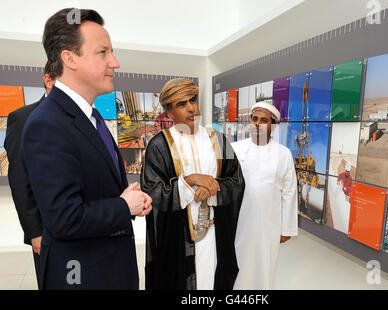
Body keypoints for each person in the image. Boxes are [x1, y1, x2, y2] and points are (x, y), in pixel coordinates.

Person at [21, 8, 152, 290]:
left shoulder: (89, 117)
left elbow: (91, 192)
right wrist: (123, 205)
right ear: (69, 58)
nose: (114, 62)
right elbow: (65, 219)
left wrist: (126, 199)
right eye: (102, 52)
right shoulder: (47, 124)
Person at [141, 78, 245, 290]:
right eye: (181, 104)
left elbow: (236, 180)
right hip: (178, 241)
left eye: (193, 100)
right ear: (169, 112)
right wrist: (188, 183)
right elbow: (151, 192)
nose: (191, 108)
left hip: (214, 235)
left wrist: (212, 191)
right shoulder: (159, 145)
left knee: (212, 279)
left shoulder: (218, 139)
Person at [232, 101, 298, 290]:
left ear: (274, 126)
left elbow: (289, 192)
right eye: (254, 119)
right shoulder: (234, 149)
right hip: (239, 223)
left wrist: (287, 229)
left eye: (264, 120)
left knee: (265, 267)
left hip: (269, 224)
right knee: (238, 266)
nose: (258, 124)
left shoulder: (283, 154)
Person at [4, 61, 55, 290]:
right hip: (47, 230)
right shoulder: (23, 118)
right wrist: (35, 232)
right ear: (48, 80)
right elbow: (19, 178)